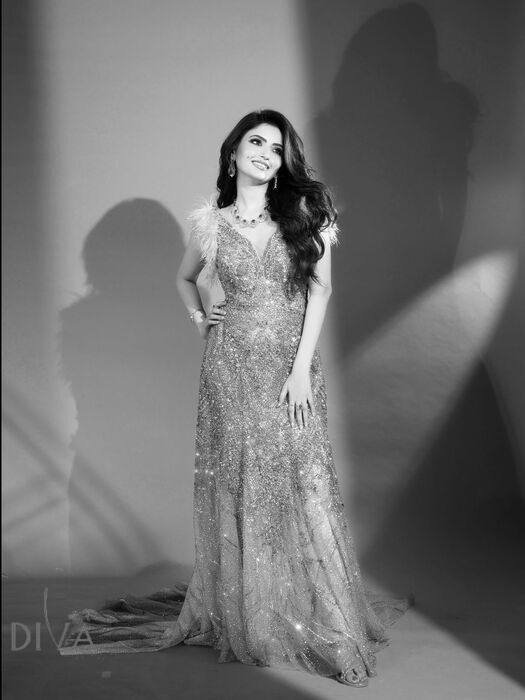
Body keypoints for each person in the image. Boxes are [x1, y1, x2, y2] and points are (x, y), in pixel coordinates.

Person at [59, 109, 410, 687]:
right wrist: (203, 316)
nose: (266, 154)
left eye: (277, 148)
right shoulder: (211, 225)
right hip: (228, 371)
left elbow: (321, 291)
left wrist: (301, 370)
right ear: (233, 153)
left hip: (290, 370)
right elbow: (186, 278)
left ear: (283, 163)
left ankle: (332, 625)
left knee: (304, 483)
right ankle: (254, 617)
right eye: (256, 142)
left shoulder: (305, 213)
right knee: (241, 483)